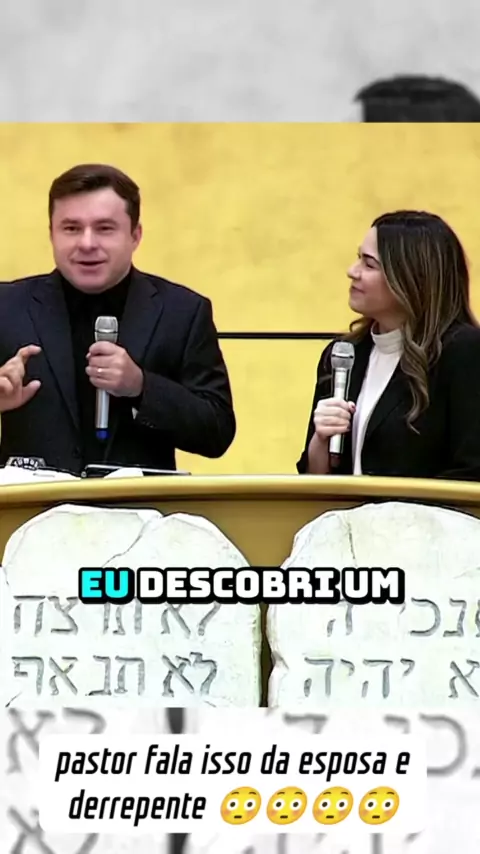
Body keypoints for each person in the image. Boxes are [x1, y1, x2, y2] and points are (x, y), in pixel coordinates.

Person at [0, 163, 235, 473]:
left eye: (104, 228)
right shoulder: (7, 306)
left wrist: (141, 386)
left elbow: (217, 430)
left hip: (138, 502)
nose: (87, 243)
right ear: (52, 234)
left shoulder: (182, 312)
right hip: (34, 501)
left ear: (135, 235)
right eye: (71, 228)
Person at [297, 210, 480, 480]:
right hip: (347, 509)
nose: (352, 272)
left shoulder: (464, 352)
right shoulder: (345, 354)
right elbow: (314, 479)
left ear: (410, 278)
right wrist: (321, 441)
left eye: (369, 264)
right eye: (358, 258)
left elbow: (472, 471)